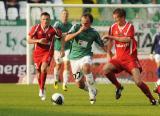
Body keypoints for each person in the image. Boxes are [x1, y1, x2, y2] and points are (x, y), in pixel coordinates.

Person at [102, 8, 157, 105]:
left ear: (123, 18)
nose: (115, 20)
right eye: (114, 18)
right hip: (118, 59)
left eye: (117, 18)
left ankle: (152, 99)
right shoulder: (113, 27)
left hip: (130, 59)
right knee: (105, 69)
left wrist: (111, 37)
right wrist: (108, 53)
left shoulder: (129, 26)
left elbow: (127, 39)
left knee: (138, 82)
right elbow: (110, 42)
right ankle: (118, 86)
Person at [65, 13, 106, 104]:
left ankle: (91, 93)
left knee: (86, 68)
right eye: (82, 22)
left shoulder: (94, 33)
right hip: (73, 59)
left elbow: (102, 45)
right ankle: (92, 90)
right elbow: (66, 38)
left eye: (86, 23)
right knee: (79, 85)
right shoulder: (76, 27)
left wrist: (110, 53)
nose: (84, 25)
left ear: (90, 23)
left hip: (85, 56)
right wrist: (79, 31)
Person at [27, 12, 62, 101]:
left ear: (50, 20)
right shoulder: (36, 28)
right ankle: (42, 87)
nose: (45, 21)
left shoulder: (53, 29)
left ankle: (42, 89)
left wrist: (60, 31)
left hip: (48, 52)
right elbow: (28, 40)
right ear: (40, 20)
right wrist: (39, 40)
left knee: (43, 68)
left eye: (47, 19)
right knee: (38, 73)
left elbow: (61, 36)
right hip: (37, 53)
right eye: (43, 19)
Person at [53, 9, 72, 91]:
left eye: (66, 14)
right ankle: (56, 80)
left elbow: (71, 35)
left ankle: (65, 84)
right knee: (58, 65)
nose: (65, 16)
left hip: (67, 48)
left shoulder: (70, 25)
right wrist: (62, 34)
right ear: (61, 16)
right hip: (58, 48)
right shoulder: (57, 24)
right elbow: (53, 32)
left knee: (67, 64)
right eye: (63, 14)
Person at [150, 32, 160, 102]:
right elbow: (153, 44)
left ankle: (158, 83)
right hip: (158, 53)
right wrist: (151, 53)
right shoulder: (157, 35)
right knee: (159, 68)